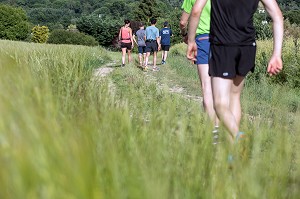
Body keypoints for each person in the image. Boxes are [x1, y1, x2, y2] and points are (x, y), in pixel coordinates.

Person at [187, 0, 283, 144]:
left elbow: (196, 11)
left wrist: (191, 41)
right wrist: (276, 54)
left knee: (219, 103)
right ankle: (233, 154)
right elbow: (277, 15)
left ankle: (238, 137)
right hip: (247, 46)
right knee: (234, 96)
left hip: (223, 46)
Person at [180, 0, 220, 144]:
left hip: (203, 39)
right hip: (225, 39)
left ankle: (215, 130)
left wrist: (186, 36)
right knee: (222, 85)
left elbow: (183, 22)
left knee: (206, 86)